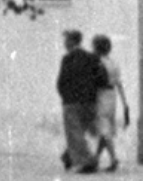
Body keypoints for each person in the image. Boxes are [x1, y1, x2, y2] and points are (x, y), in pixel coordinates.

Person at [55, 29, 103, 173]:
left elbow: (61, 81)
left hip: (72, 101)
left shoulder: (67, 59)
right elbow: (101, 79)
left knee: (74, 132)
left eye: (66, 40)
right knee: (80, 131)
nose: (64, 43)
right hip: (90, 101)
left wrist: (65, 96)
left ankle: (87, 161)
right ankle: (68, 156)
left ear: (71, 41)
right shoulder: (92, 58)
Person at [90, 34, 129, 172]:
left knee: (104, 128)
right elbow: (119, 83)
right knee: (105, 127)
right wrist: (125, 103)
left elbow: (94, 81)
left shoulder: (97, 62)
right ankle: (96, 158)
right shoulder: (113, 62)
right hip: (112, 96)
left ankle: (114, 158)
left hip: (101, 94)